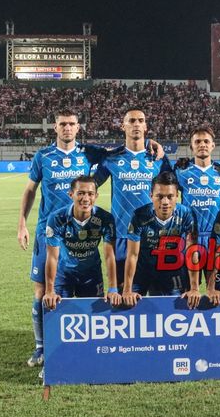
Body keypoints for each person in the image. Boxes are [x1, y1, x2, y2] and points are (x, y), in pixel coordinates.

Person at [17, 109, 108, 369]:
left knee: (84, 289)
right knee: (42, 290)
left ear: (78, 128)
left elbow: (121, 152)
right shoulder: (43, 156)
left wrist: (149, 143)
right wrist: (22, 223)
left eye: (71, 124)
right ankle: (41, 347)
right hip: (48, 232)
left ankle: (83, 343)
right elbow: (30, 190)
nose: (67, 128)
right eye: (62, 124)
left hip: (80, 234)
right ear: (55, 128)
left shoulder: (89, 155)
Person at [94, 108, 172, 288]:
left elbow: (173, 190)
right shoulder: (111, 158)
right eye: (131, 121)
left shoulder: (158, 158)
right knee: (124, 294)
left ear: (145, 126)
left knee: (159, 294)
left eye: (140, 120)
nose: (136, 124)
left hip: (155, 235)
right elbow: (92, 185)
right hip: (122, 234)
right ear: (123, 126)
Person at [121, 172, 201, 309]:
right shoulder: (139, 215)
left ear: (177, 196)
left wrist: (194, 288)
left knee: (177, 307)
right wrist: (127, 290)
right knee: (128, 305)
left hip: (171, 269)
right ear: (151, 195)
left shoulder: (186, 214)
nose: (165, 202)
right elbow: (132, 255)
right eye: (160, 196)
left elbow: (191, 252)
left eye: (170, 197)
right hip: (143, 268)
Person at [42, 176, 120, 309]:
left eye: (90, 194)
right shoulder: (56, 218)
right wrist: (49, 291)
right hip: (64, 273)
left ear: (96, 196)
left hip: (91, 274)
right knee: (57, 311)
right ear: (71, 194)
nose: (86, 199)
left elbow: (109, 255)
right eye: (81, 193)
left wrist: (113, 288)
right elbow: (52, 257)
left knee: (94, 315)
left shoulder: (105, 218)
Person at [174, 126, 220, 251]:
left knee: (213, 271)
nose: (202, 144)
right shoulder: (180, 171)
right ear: (191, 147)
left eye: (206, 141)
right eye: (197, 142)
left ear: (213, 145)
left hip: (215, 235)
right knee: (190, 271)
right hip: (189, 235)